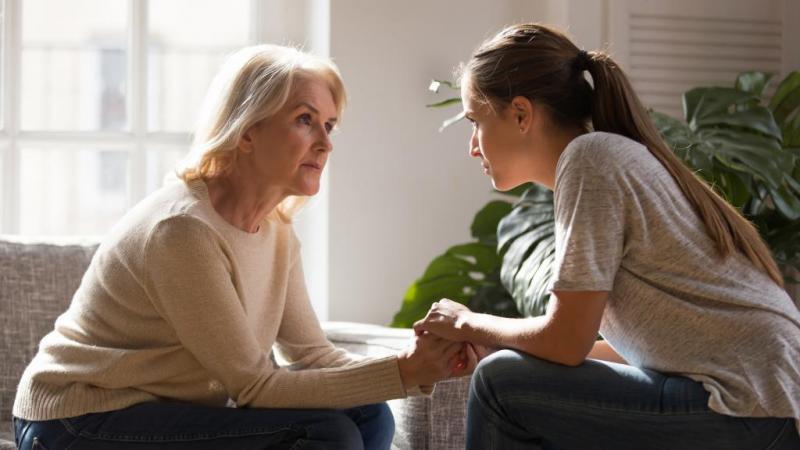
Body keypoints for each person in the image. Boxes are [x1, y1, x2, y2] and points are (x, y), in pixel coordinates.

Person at [12, 44, 473, 450]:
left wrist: (414, 363)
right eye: (305, 120)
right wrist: (404, 372)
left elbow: (311, 354)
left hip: (163, 409)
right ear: (246, 131)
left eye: (329, 125)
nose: (325, 143)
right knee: (325, 435)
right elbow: (253, 385)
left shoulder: (275, 232)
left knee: (367, 414)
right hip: (75, 421)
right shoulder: (182, 230)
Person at [414, 23, 800, 449]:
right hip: (764, 406)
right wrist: (497, 344)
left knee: (498, 385)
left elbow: (566, 342)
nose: (472, 146)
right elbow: (634, 350)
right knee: (505, 371)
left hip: (746, 407)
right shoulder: (606, 158)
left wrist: (468, 322)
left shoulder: (590, 160)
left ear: (521, 114)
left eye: (475, 121)